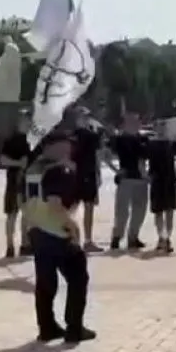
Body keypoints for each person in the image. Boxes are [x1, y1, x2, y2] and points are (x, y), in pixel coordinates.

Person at [23, 131, 96, 344]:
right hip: (58, 231)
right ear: (51, 147)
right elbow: (55, 203)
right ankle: (74, 327)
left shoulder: (32, 169)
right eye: (65, 145)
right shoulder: (59, 170)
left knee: (45, 283)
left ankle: (47, 327)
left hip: (37, 229)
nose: (69, 149)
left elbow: (23, 201)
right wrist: (73, 228)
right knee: (78, 278)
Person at [108, 112, 150, 251]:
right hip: (125, 179)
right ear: (125, 124)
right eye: (132, 122)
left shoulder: (143, 139)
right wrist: (116, 170)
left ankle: (133, 237)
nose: (136, 124)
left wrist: (146, 175)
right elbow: (104, 154)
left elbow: (144, 159)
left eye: (137, 121)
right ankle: (116, 237)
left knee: (140, 211)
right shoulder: (119, 139)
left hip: (140, 179)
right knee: (122, 211)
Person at [68, 108, 104, 252]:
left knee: (85, 207)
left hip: (85, 174)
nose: (85, 119)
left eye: (86, 116)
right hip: (79, 175)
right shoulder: (77, 135)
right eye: (83, 116)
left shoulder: (82, 135)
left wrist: (98, 173)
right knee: (74, 208)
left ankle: (83, 240)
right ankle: (75, 239)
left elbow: (97, 156)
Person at [0, 115, 33, 258]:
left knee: (27, 214)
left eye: (29, 120)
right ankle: (9, 246)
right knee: (12, 214)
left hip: (29, 180)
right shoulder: (11, 140)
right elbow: (3, 160)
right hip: (14, 180)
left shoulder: (33, 141)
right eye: (25, 120)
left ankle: (25, 243)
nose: (28, 123)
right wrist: (19, 163)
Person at [146, 131, 176, 253]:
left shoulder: (171, 143)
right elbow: (141, 160)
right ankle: (163, 238)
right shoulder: (151, 144)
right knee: (161, 212)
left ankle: (165, 238)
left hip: (167, 180)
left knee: (166, 212)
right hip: (159, 181)